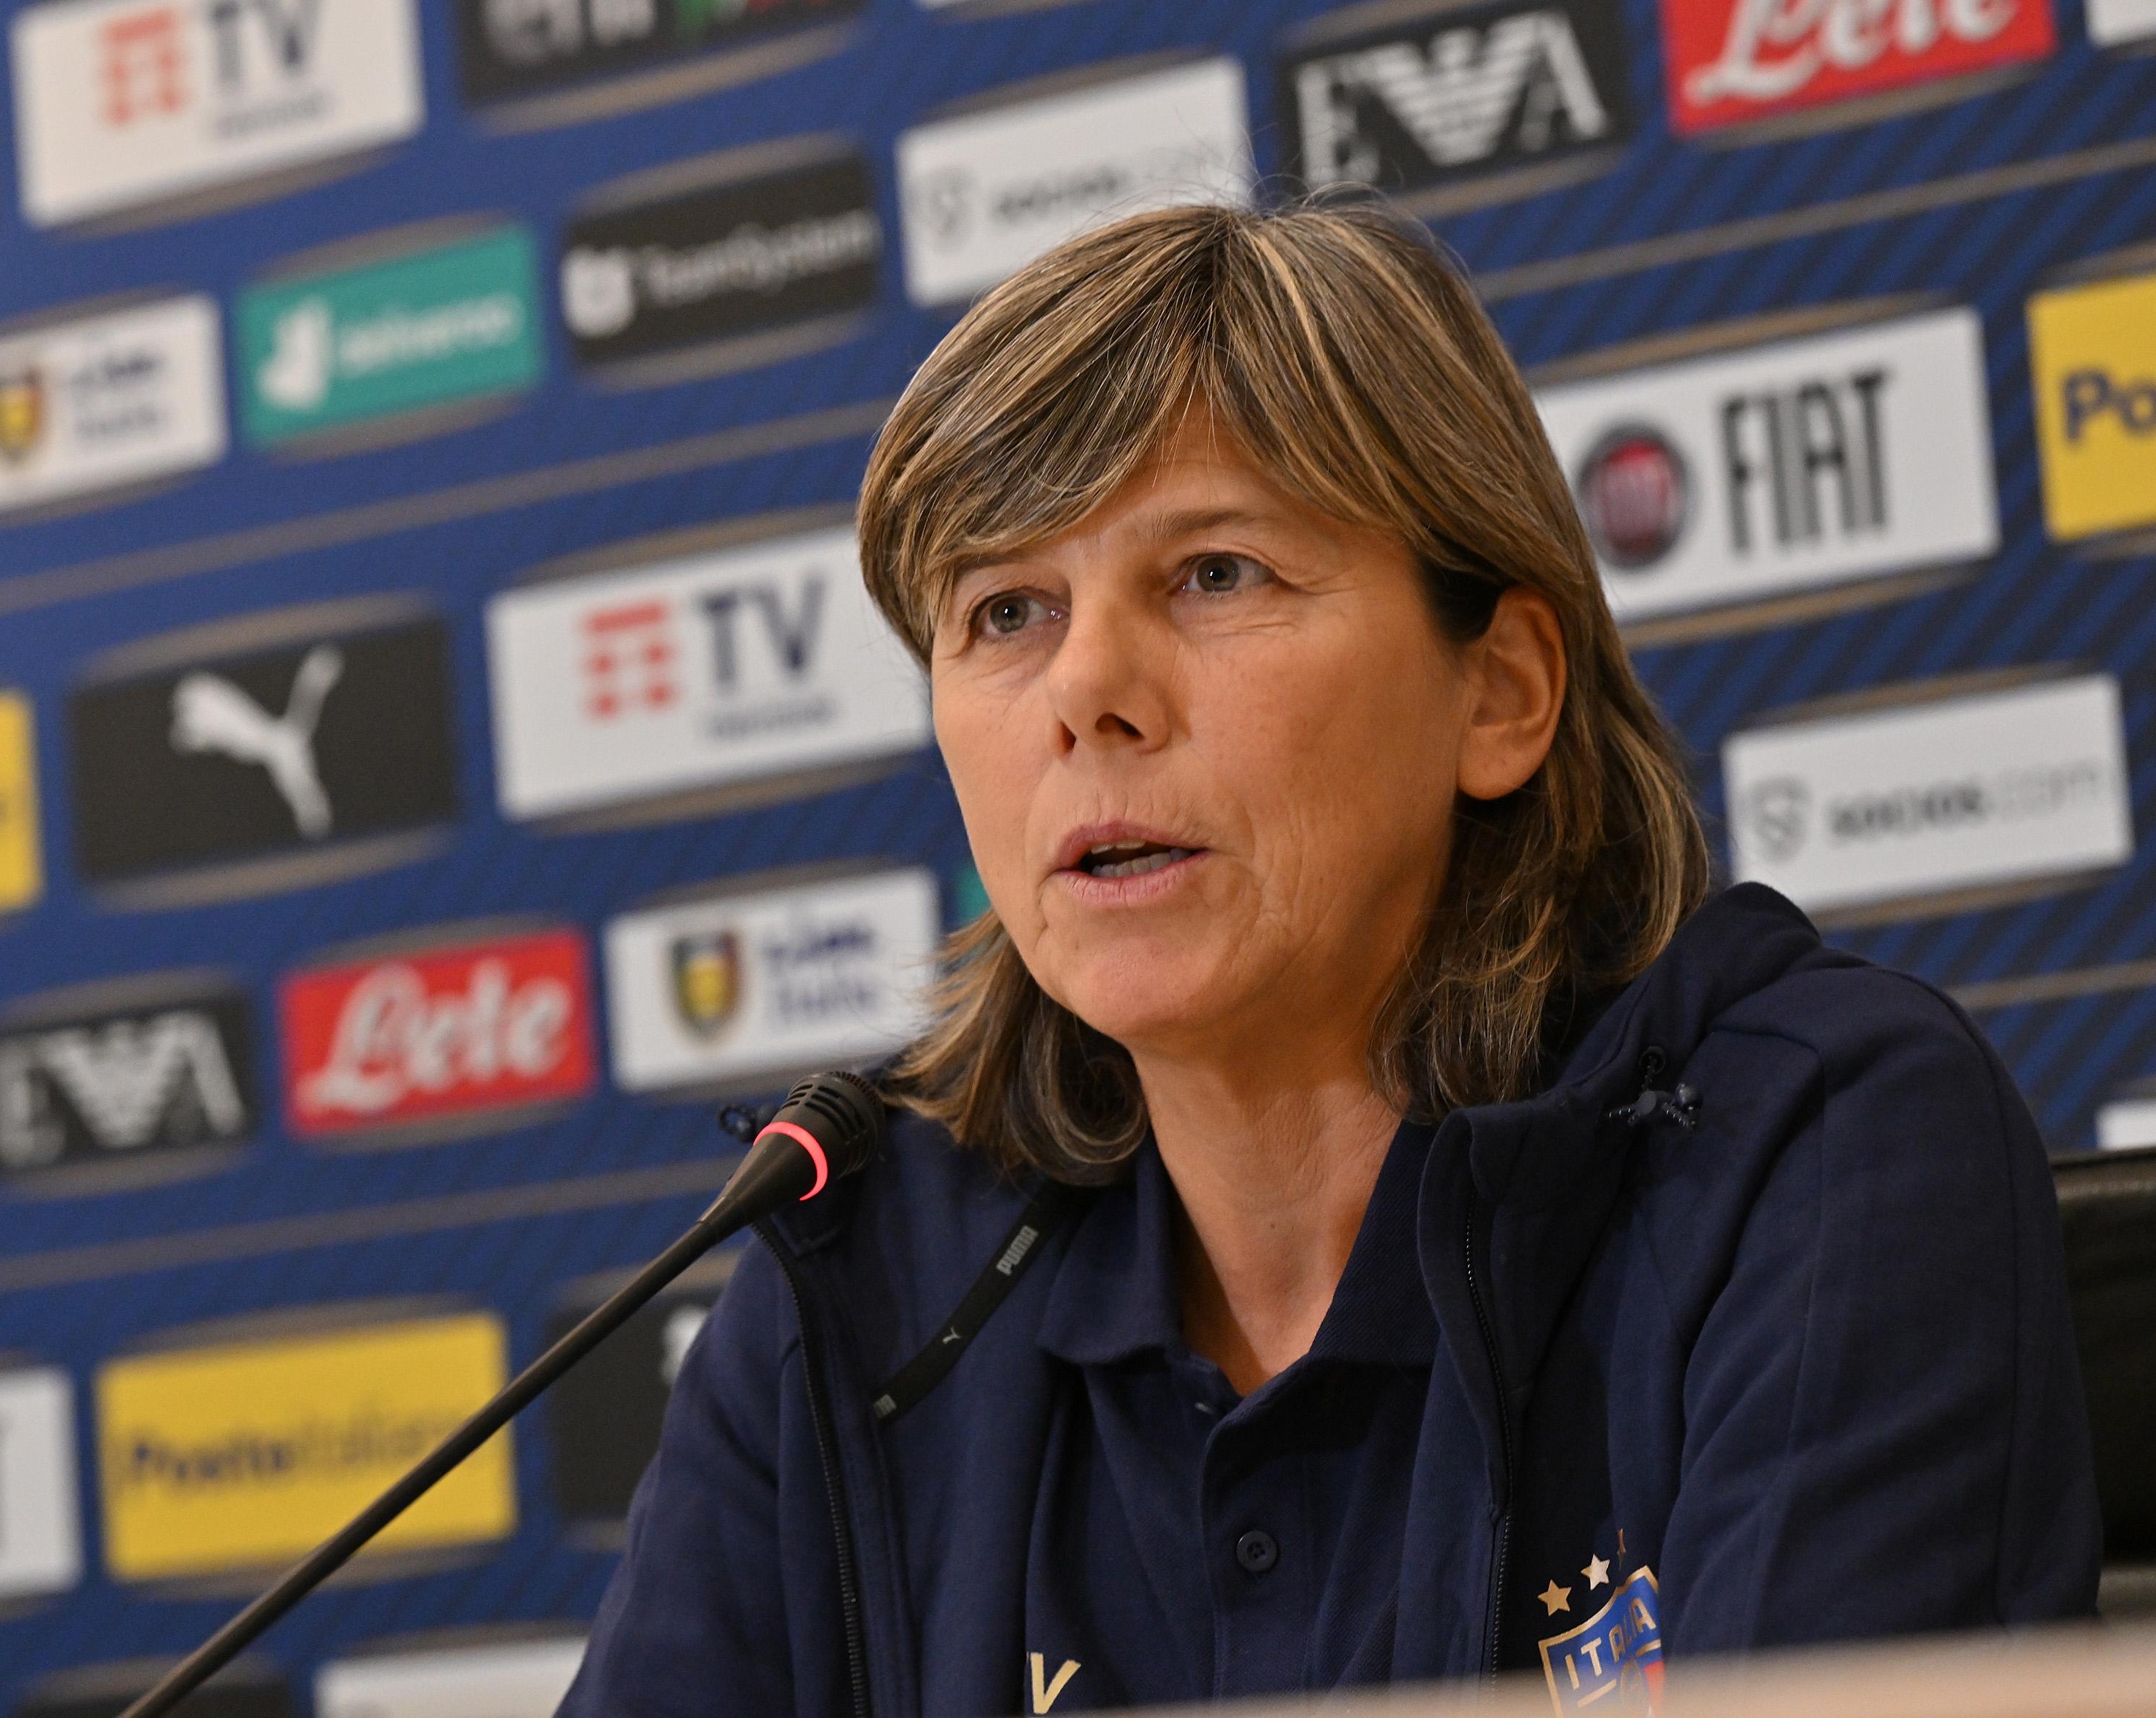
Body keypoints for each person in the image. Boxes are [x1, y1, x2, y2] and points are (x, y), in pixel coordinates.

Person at [558, 197, 2101, 1718]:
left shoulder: (1815, 1150)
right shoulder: (859, 1276)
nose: (1086, 691)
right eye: (1004, 609)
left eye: (1215, 573)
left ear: (1495, 693)